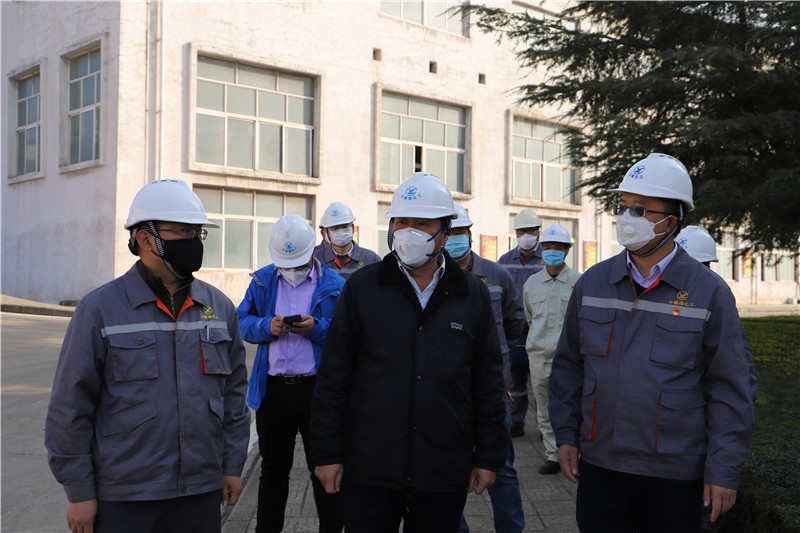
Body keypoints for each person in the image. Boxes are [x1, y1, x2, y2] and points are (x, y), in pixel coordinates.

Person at [548, 153, 756, 532]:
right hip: (601, 467)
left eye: (640, 209)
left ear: (671, 222)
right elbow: (568, 368)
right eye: (623, 207)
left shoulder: (708, 292)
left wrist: (723, 470)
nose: (627, 218)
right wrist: (565, 435)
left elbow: (731, 389)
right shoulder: (593, 284)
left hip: (675, 476)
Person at [45, 179, 250, 533]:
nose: (193, 241)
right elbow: (70, 405)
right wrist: (79, 491)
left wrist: (232, 465)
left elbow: (233, 397)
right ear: (144, 239)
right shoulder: (100, 309)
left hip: (200, 491)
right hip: (126, 495)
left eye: (197, 233)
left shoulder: (218, 307)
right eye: (181, 231)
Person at [310, 172, 507, 533]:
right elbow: (334, 374)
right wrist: (327, 453)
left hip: (442, 469)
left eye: (422, 224)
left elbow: (488, 381)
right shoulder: (363, 287)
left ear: (445, 232)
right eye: (401, 222)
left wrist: (489, 456)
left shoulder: (470, 294)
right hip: (369, 467)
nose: (408, 232)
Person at [237, 214, 345, 533]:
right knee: (272, 471)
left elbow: (348, 333)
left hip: (317, 392)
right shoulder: (262, 282)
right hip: (274, 391)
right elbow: (241, 321)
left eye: (297, 263)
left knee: (324, 469)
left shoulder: (335, 286)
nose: (291, 270)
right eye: (285, 264)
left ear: (313, 250)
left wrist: (316, 328)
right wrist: (265, 326)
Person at [447, 204, 526, 533]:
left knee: (501, 467)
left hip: (492, 390)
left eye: (459, 232)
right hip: (448, 391)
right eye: (449, 233)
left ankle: (511, 529)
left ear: (470, 234)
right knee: (447, 469)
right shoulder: (432, 277)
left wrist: (496, 353)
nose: (454, 239)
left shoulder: (497, 274)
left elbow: (514, 322)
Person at [521, 223, 581, 476]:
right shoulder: (531, 284)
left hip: (569, 358)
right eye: (547, 246)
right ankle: (552, 455)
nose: (552, 251)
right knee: (543, 406)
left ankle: (576, 453)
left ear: (567, 250)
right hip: (539, 355)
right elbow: (529, 316)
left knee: (572, 404)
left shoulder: (579, 282)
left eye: (558, 246)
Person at [498, 208, 545, 437]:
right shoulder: (504, 262)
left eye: (530, 231)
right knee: (515, 380)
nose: (525, 235)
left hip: (541, 330)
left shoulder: (549, 258)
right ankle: (516, 423)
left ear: (538, 232)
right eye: (521, 231)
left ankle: (545, 427)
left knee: (540, 381)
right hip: (515, 330)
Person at [314, 201, 381, 280]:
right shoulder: (316, 259)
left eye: (345, 226)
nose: (341, 232)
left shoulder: (371, 259)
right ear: (327, 232)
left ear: (352, 227)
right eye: (335, 228)